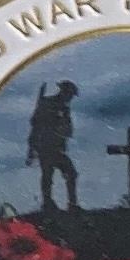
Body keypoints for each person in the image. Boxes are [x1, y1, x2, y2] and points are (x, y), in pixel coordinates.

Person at [26, 78, 81, 217]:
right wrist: (31, 150)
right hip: (45, 147)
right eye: (69, 94)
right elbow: (35, 125)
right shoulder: (47, 104)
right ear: (63, 92)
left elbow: (68, 130)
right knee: (48, 175)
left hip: (57, 148)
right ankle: (48, 203)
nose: (70, 98)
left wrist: (64, 132)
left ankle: (72, 204)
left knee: (71, 173)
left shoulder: (64, 108)